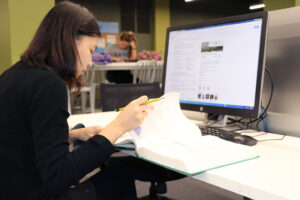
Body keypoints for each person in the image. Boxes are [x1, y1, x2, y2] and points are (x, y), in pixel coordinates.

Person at [0, 2, 152, 200]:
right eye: (90, 50)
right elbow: (58, 177)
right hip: (34, 193)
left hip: (11, 187)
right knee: (120, 175)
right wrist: (118, 127)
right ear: (70, 41)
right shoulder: (48, 84)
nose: (90, 62)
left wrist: (72, 135)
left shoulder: (12, 74)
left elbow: (23, 139)